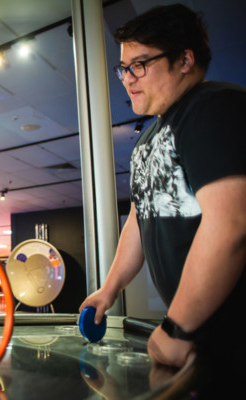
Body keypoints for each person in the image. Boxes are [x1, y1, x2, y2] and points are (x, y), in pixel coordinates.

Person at [80, 3, 246, 375]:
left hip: (231, 341)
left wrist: (176, 327)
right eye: (123, 68)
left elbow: (231, 224)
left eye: (139, 65)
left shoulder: (212, 107)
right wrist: (110, 290)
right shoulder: (148, 140)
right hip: (196, 341)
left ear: (185, 59)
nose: (127, 78)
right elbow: (140, 222)